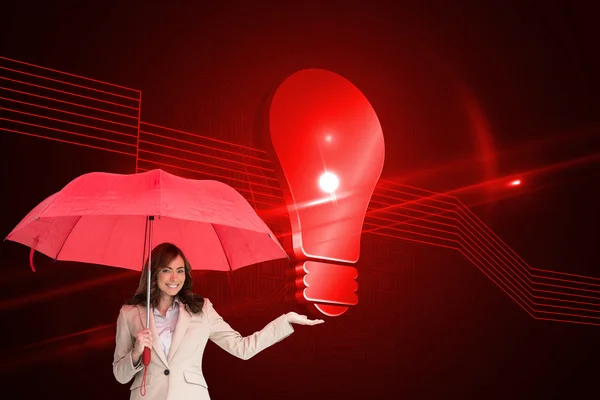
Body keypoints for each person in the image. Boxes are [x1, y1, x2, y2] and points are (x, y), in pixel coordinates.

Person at [112, 242, 324, 399]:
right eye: (166, 271)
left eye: (180, 271)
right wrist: (136, 351)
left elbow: (242, 348)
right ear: (154, 273)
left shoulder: (201, 309)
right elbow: (120, 376)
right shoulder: (130, 313)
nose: (174, 278)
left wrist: (285, 321)